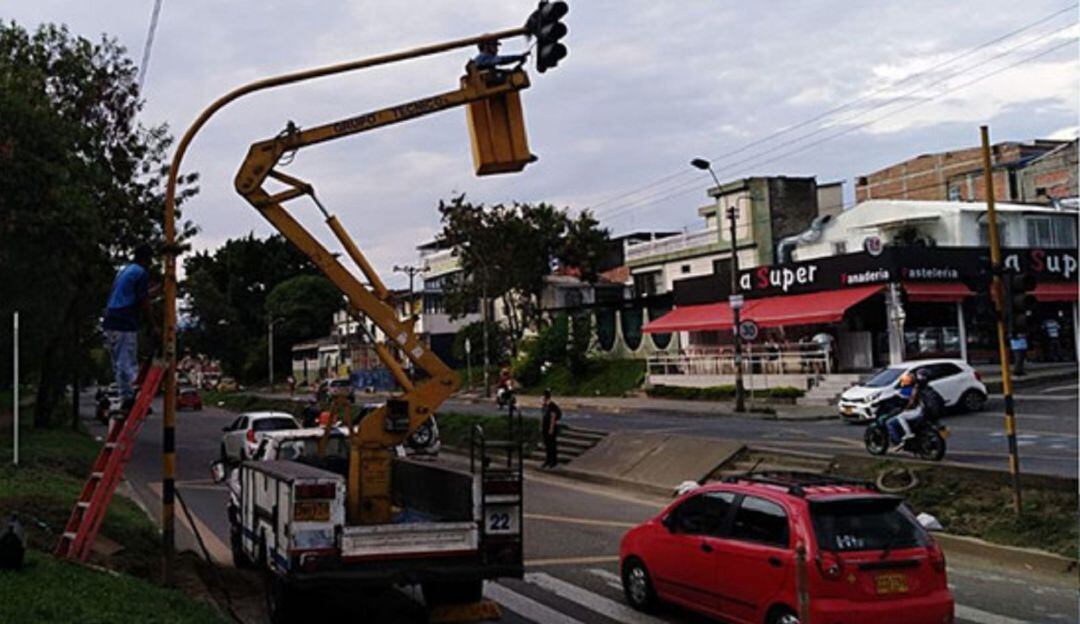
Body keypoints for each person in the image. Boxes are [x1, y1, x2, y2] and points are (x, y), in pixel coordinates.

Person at [102, 244, 158, 410]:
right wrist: (153, 325)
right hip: (124, 320)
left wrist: (157, 291)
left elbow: (136, 295)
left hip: (111, 320)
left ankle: (125, 397)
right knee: (128, 362)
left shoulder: (125, 271)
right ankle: (132, 400)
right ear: (146, 259)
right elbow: (144, 302)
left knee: (119, 363)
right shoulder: (141, 273)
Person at [886, 373, 922, 452]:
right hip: (921, 411)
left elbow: (910, 401)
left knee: (892, 421)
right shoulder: (921, 387)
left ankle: (901, 441)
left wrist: (906, 408)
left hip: (916, 411)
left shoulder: (911, 389)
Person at [540, 389, 562, 469]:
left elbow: (553, 418)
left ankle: (553, 461)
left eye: (543, 397)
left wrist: (551, 428)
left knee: (552, 445)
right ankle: (547, 460)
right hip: (545, 428)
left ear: (546, 397)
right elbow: (543, 416)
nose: (541, 399)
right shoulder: (545, 406)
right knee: (547, 445)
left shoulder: (552, 406)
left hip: (551, 428)